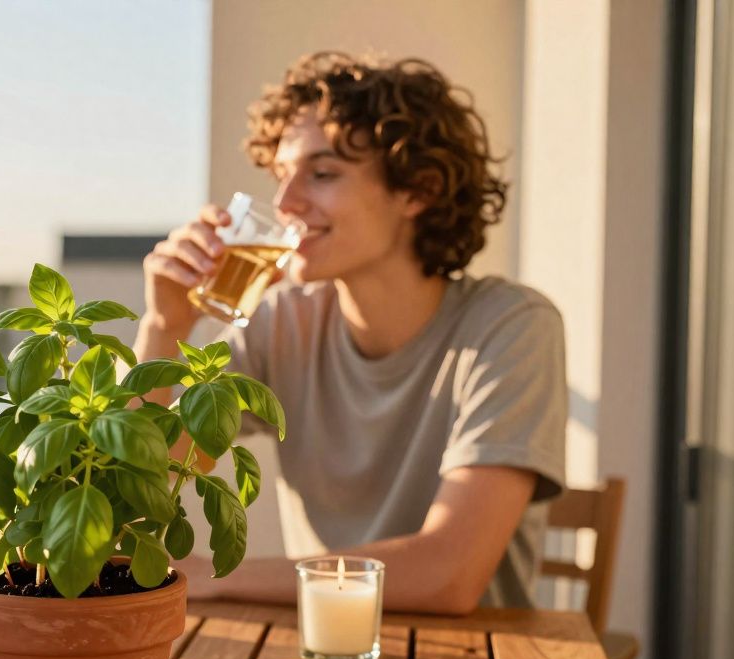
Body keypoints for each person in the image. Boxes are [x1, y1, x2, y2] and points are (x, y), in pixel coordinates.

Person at [135, 52, 567, 614]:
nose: (286, 204)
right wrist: (165, 328)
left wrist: (215, 577)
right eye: (282, 175)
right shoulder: (281, 322)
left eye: (322, 173)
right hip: (317, 656)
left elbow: (449, 574)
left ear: (419, 189)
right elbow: (149, 469)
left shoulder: (511, 327)